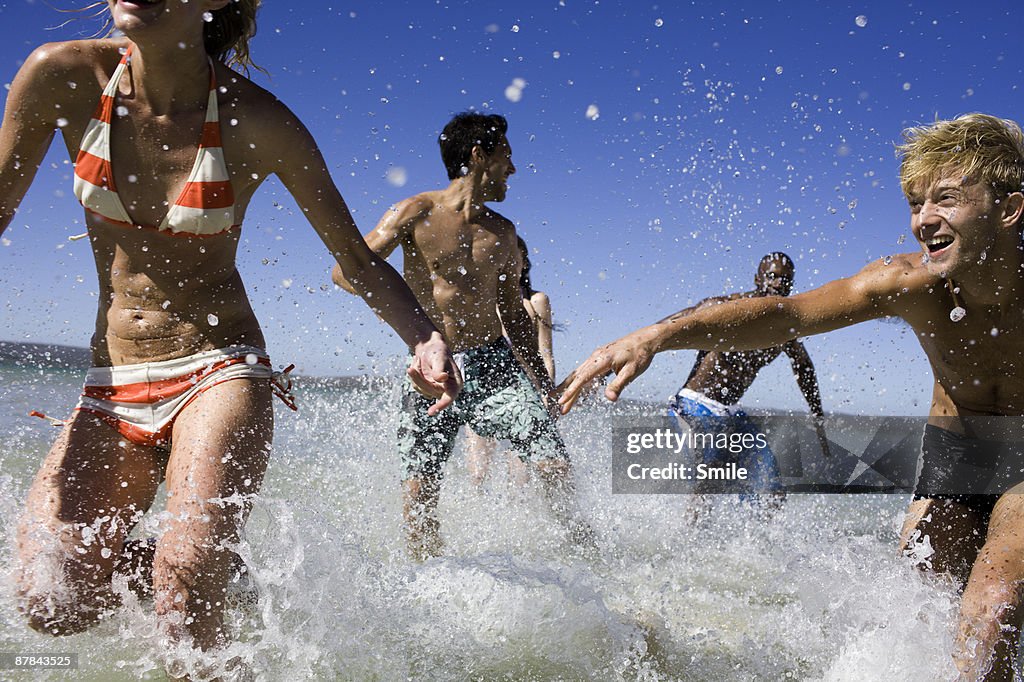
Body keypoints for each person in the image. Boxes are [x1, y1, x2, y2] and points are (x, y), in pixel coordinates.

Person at [0, 0, 459, 666]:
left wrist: (424, 337)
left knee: (183, 607)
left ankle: (195, 581)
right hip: (114, 377)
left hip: (218, 366)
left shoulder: (259, 122)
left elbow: (357, 260)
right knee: (51, 604)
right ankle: (224, 578)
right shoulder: (62, 75)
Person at [558, 113, 1024, 679]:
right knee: (919, 612)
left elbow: (800, 362)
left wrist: (822, 425)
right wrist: (655, 336)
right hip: (954, 457)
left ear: (1007, 208)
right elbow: (788, 315)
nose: (923, 221)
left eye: (945, 199)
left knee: (994, 606)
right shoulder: (912, 284)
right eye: (915, 203)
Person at [333, 112, 592, 561]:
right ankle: (427, 578)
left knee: (553, 465)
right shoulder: (416, 211)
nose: (512, 168)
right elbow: (347, 272)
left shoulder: (504, 233)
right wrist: (412, 328)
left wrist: (540, 385)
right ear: (478, 156)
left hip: (495, 365)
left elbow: (513, 313)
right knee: (419, 490)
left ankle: (588, 560)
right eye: (506, 156)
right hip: (431, 369)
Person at [666, 252, 830, 501]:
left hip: (731, 413)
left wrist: (817, 417)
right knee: (709, 482)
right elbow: (667, 327)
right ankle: (688, 536)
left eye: (785, 280)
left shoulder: (785, 328)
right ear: (757, 278)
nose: (778, 284)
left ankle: (765, 539)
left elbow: (804, 368)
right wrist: (611, 363)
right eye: (772, 276)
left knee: (772, 487)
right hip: (694, 405)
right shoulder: (726, 308)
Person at [465, 236, 555, 487]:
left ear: (524, 262)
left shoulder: (537, 301)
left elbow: (545, 352)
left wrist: (548, 391)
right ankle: (476, 519)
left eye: (513, 257)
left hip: (524, 392)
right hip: (483, 387)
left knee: (520, 476)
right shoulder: (482, 299)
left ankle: (521, 521)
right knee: (477, 473)